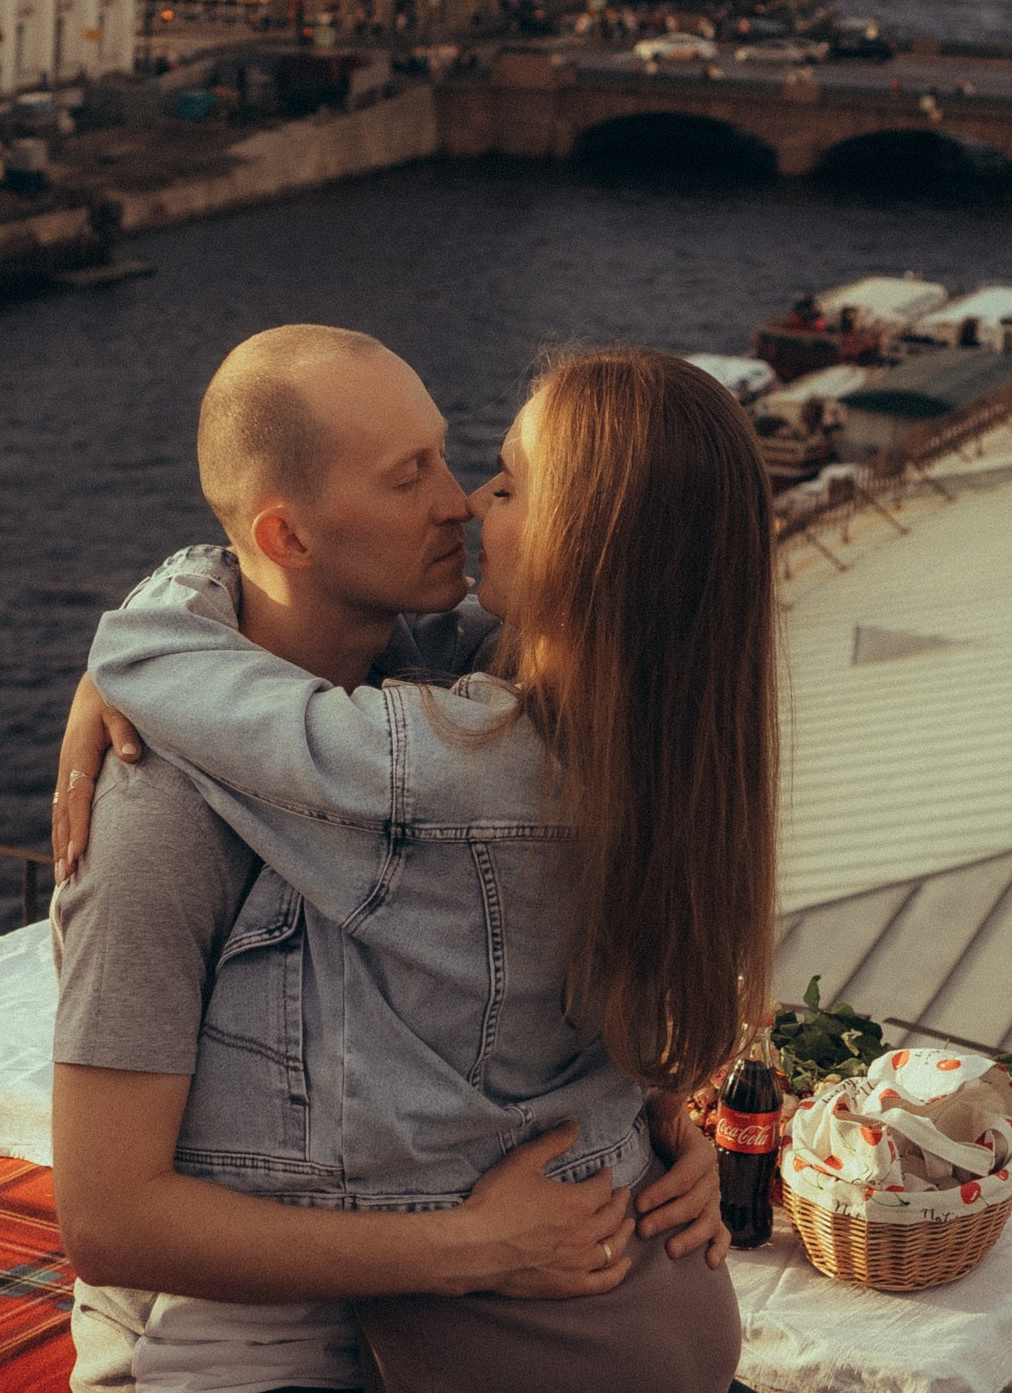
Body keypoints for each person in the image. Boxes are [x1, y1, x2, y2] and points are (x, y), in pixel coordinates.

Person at [54, 329, 777, 1393]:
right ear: (289, 536)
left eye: (479, 470)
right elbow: (109, 1220)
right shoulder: (159, 801)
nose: (462, 502)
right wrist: (486, 1236)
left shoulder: (457, 718)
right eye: (413, 475)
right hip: (253, 1339)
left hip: (491, 1320)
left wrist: (644, 1130)